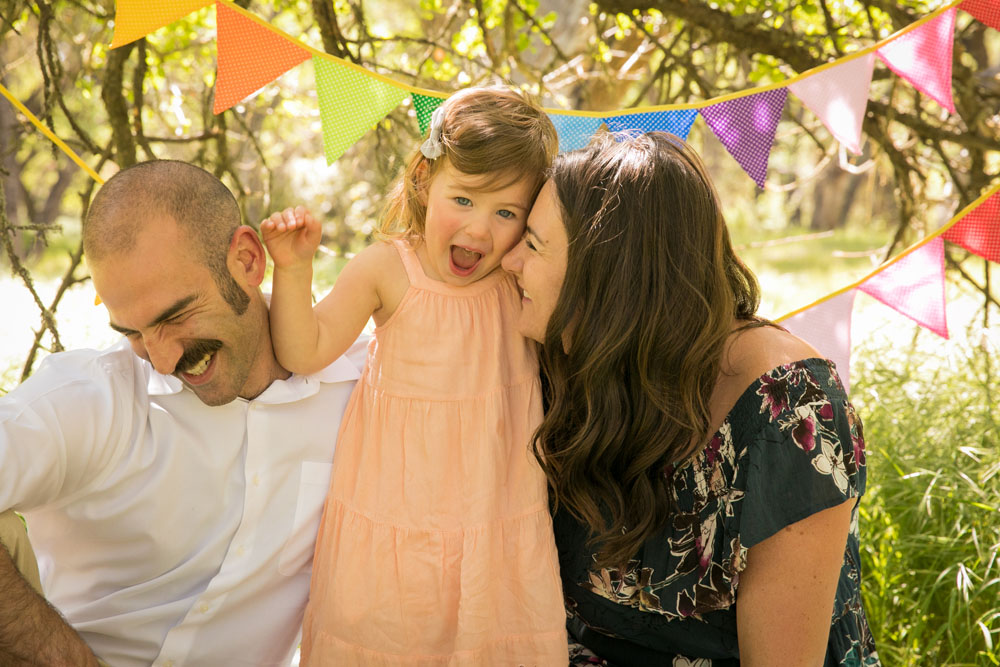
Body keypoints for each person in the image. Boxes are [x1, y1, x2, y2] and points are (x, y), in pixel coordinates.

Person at [502, 131, 880, 666]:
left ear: (612, 278)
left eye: (534, 245)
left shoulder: (789, 408)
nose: (510, 260)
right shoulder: (571, 356)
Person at [0, 160, 368, 667]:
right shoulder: (95, 398)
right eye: (132, 332)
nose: (164, 358)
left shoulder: (367, 388)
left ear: (246, 260)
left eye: (176, 316)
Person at [259, 87, 568, 664]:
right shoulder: (386, 269)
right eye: (466, 199)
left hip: (494, 511)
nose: (480, 231)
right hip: (393, 510)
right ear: (425, 182)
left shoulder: (517, 281)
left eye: (507, 213)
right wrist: (294, 269)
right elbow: (306, 350)